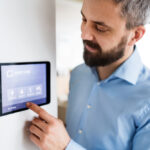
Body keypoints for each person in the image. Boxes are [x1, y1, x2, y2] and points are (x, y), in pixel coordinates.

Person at [26, 0, 150, 149]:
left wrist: (65, 147)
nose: (84, 35)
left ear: (135, 35)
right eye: (84, 19)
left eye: (100, 28)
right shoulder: (79, 74)